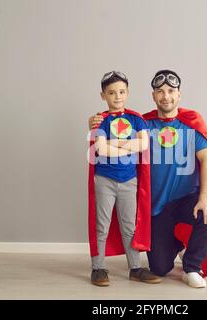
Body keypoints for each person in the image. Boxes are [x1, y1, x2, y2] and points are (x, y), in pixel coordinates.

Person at [89, 70, 207, 288]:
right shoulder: (143, 123)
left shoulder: (191, 123)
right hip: (157, 207)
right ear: (153, 96)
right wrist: (93, 121)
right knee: (159, 267)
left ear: (179, 95)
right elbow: (113, 129)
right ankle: (178, 245)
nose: (166, 96)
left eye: (171, 91)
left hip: (187, 197)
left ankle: (192, 267)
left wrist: (204, 198)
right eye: (160, 91)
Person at [87, 71, 161, 286]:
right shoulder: (100, 120)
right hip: (105, 180)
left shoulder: (136, 119)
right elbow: (101, 149)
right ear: (103, 95)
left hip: (129, 180)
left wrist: (115, 145)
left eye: (121, 91)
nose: (117, 97)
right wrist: (128, 147)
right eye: (111, 93)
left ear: (127, 92)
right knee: (102, 225)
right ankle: (98, 267)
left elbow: (143, 145)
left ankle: (135, 268)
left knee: (129, 225)